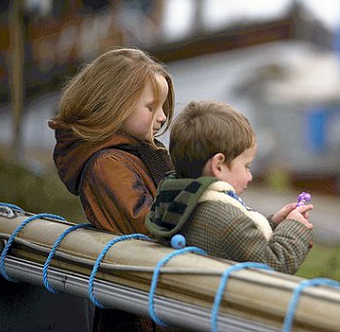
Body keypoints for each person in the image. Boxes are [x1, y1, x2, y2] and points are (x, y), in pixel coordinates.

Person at [49, 47, 175, 332]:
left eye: (164, 107)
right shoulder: (107, 165)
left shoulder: (133, 155)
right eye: (151, 107)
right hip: (137, 315)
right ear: (114, 104)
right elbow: (151, 228)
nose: (163, 118)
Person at [145, 100, 314, 275]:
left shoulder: (180, 200)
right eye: (247, 166)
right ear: (218, 166)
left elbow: (237, 246)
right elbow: (275, 265)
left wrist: (274, 225)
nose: (250, 176)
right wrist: (293, 227)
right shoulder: (225, 218)